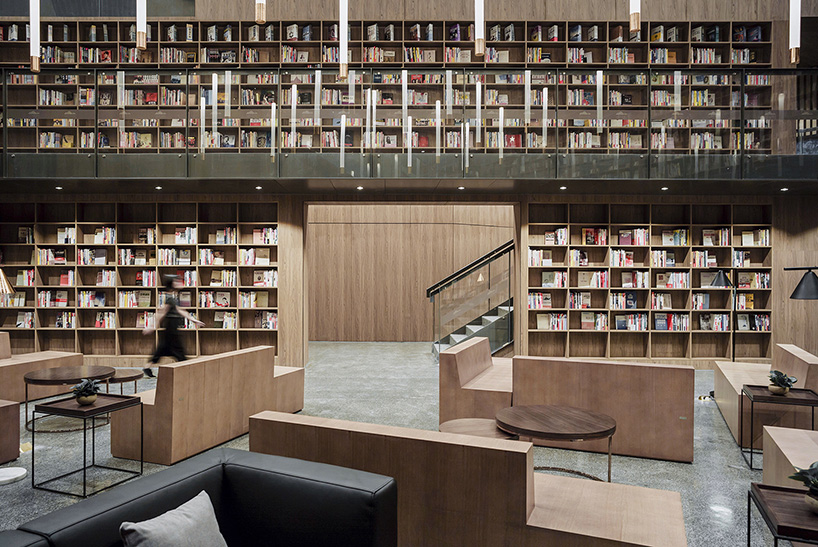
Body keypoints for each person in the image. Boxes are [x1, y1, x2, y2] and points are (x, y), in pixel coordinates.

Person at [142, 275, 203, 378]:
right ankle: (186, 369)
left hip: (172, 327)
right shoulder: (170, 298)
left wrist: (193, 320)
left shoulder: (173, 296)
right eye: (177, 281)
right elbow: (161, 313)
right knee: (177, 350)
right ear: (172, 283)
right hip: (171, 327)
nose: (180, 283)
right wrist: (153, 327)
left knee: (163, 348)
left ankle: (147, 367)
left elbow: (180, 310)